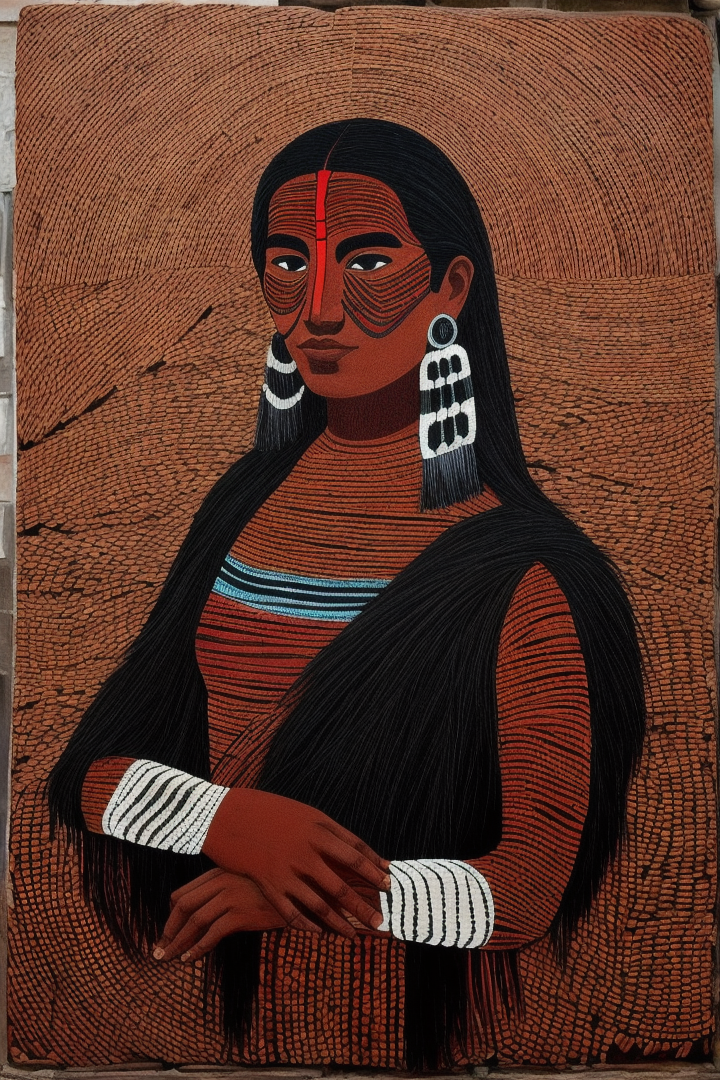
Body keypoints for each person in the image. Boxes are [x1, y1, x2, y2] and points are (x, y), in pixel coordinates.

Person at [48, 118, 645, 1071]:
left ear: (452, 285)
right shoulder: (243, 503)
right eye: (288, 263)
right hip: (203, 1023)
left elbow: (528, 890)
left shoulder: (529, 574)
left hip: (421, 1029)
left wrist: (302, 893)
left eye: (367, 262)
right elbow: (86, 775)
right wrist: (232, 823)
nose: (318, 309)